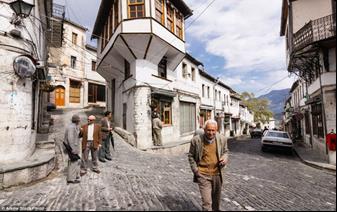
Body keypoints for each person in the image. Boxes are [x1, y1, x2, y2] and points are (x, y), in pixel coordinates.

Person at [188, 120, 229, 211]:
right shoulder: (196, 140)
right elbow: (191, 156)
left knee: (216, 201)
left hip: (217, 174)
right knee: (206, 202)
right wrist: (195, 170)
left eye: (213, 130)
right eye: (208, 130)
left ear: (216, 130)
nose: (211, 133)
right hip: (202, 174)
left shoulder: (222, 139)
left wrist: (225, 158)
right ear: (204, 129)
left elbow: (226, 151)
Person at [64, 114, 82, 184]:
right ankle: (71, 179)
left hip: (72, 147)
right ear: (77, 121)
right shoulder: (71, 127)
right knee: (73, 162)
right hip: (72, 148)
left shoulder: (73, 126)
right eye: (79, 121)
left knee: (75, 162)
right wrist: (73, 149)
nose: (79, 122)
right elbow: (70, 139)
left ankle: (75, 176)